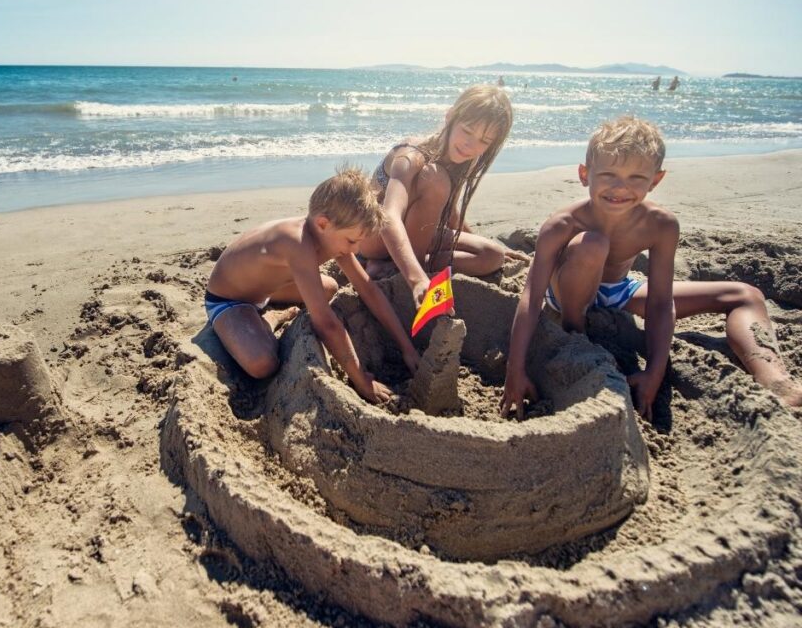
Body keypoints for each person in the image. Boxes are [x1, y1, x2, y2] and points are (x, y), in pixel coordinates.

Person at [501, 116, 802, 420]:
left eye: (636, 178)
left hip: (619, 290)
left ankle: (774, 379)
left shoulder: (661, 224)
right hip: (566, 294)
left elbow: (660, 302)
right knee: (592, 245)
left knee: (745, 294)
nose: (620, 188)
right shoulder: (562, 224)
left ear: (655, 180)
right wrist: (516, 367)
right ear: (584, 174)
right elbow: (531, 296)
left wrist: (654, 371)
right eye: (608, 174)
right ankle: (577, 333)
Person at [206, 167, 421, 404]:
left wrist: (406, 346)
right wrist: (361, 378)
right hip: (229, 299)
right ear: (322, 223)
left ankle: (265, 309)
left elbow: (368, 288)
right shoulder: (297, 243)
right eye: (352, 241)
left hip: (265, 287)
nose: (356, 250)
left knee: (329, 287)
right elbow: (326, 323)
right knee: (262, 364)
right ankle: (270, 319)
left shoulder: (331, 234)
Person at [357, 85, 520, 308]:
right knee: (436, 178)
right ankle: (406, 270)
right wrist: (416, 280)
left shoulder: (464, 159)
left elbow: (450, 211)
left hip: (414, 236)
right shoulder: (411, 156)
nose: (471, 145)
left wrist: (478, 243)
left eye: (484, 141)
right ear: (450, 116)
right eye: (468, 131)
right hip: (372, 235)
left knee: (491, 255)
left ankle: (395, 266)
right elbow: (389, 215)